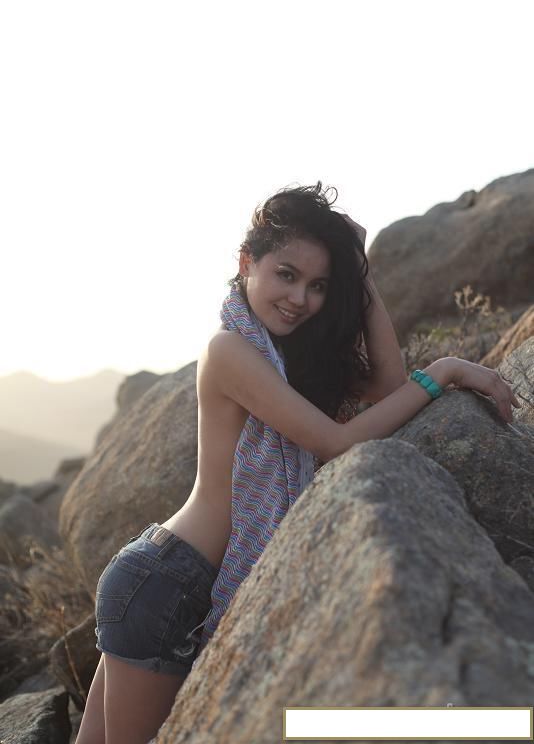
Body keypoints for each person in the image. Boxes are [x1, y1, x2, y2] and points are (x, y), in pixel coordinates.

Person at [76, 182, 519, 744]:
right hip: (168, 582)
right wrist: (447, 370)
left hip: (167, 581)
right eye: (286, 274)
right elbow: (336, 443)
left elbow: (389, 385)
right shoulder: (229, 350)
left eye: (318, 286)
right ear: (247, 263)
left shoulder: (288, 358)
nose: (299, 298)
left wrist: (360, 274)